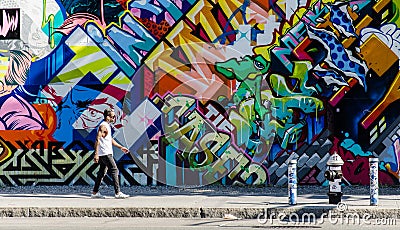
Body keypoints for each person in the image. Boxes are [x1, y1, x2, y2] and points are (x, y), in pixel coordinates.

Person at [91, 107, 130, 199]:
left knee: (102, 172)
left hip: (105, 153)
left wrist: (121, 147)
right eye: (112, 117)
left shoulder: (107, 126)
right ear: (107, 116)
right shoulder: (103, 126)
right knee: (114, 170)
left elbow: (110, 139)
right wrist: (96, 154)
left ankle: (95, 192)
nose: (113, 119)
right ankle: (117, 193)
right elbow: (97, 139)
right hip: (105, 153)